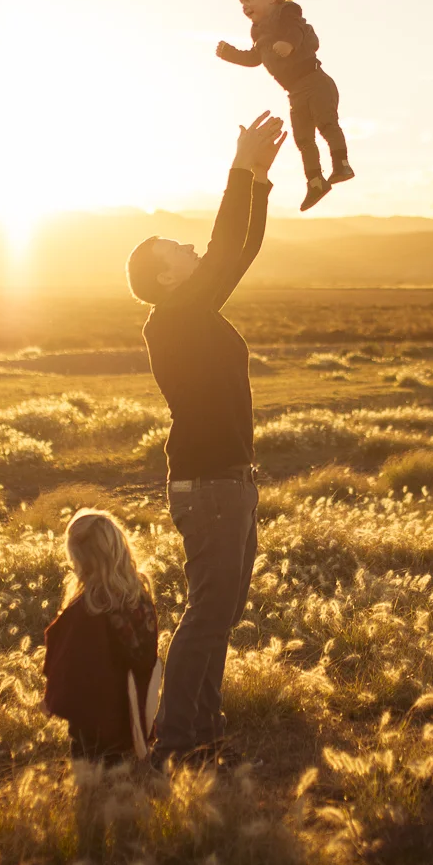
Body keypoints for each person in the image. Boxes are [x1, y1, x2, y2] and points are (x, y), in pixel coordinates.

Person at [124, 112, 288, 763]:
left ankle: (204, 724)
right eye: (177, 253)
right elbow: (223, 251)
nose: (193, 252)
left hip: (230, 480)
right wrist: (238, 170)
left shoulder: (192, 310)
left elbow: (237, 253)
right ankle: (176, 734)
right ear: (164, 278)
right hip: (211, 485)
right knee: (208, 610)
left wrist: (260, 183)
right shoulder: (173, 319)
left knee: (219, 610)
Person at [215, 0, 353, 212]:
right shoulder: (258, 31)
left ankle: (341, 164)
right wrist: (230, 54)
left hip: (316, 82)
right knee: (303, 139)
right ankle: (316, 182)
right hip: (295, 92)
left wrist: (288, 43)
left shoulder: (287, 12)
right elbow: (254, 58)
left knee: (326, 124)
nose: (244, 6)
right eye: (241, 2)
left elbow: (296, 29)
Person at [42, 509, 161, 764]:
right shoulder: (140, 600)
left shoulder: (83, 612)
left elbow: (65, 667)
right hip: (135, 722)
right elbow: (148, 660)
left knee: (92, 786)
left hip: (92, 732)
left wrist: (52, 699)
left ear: (79, 560)